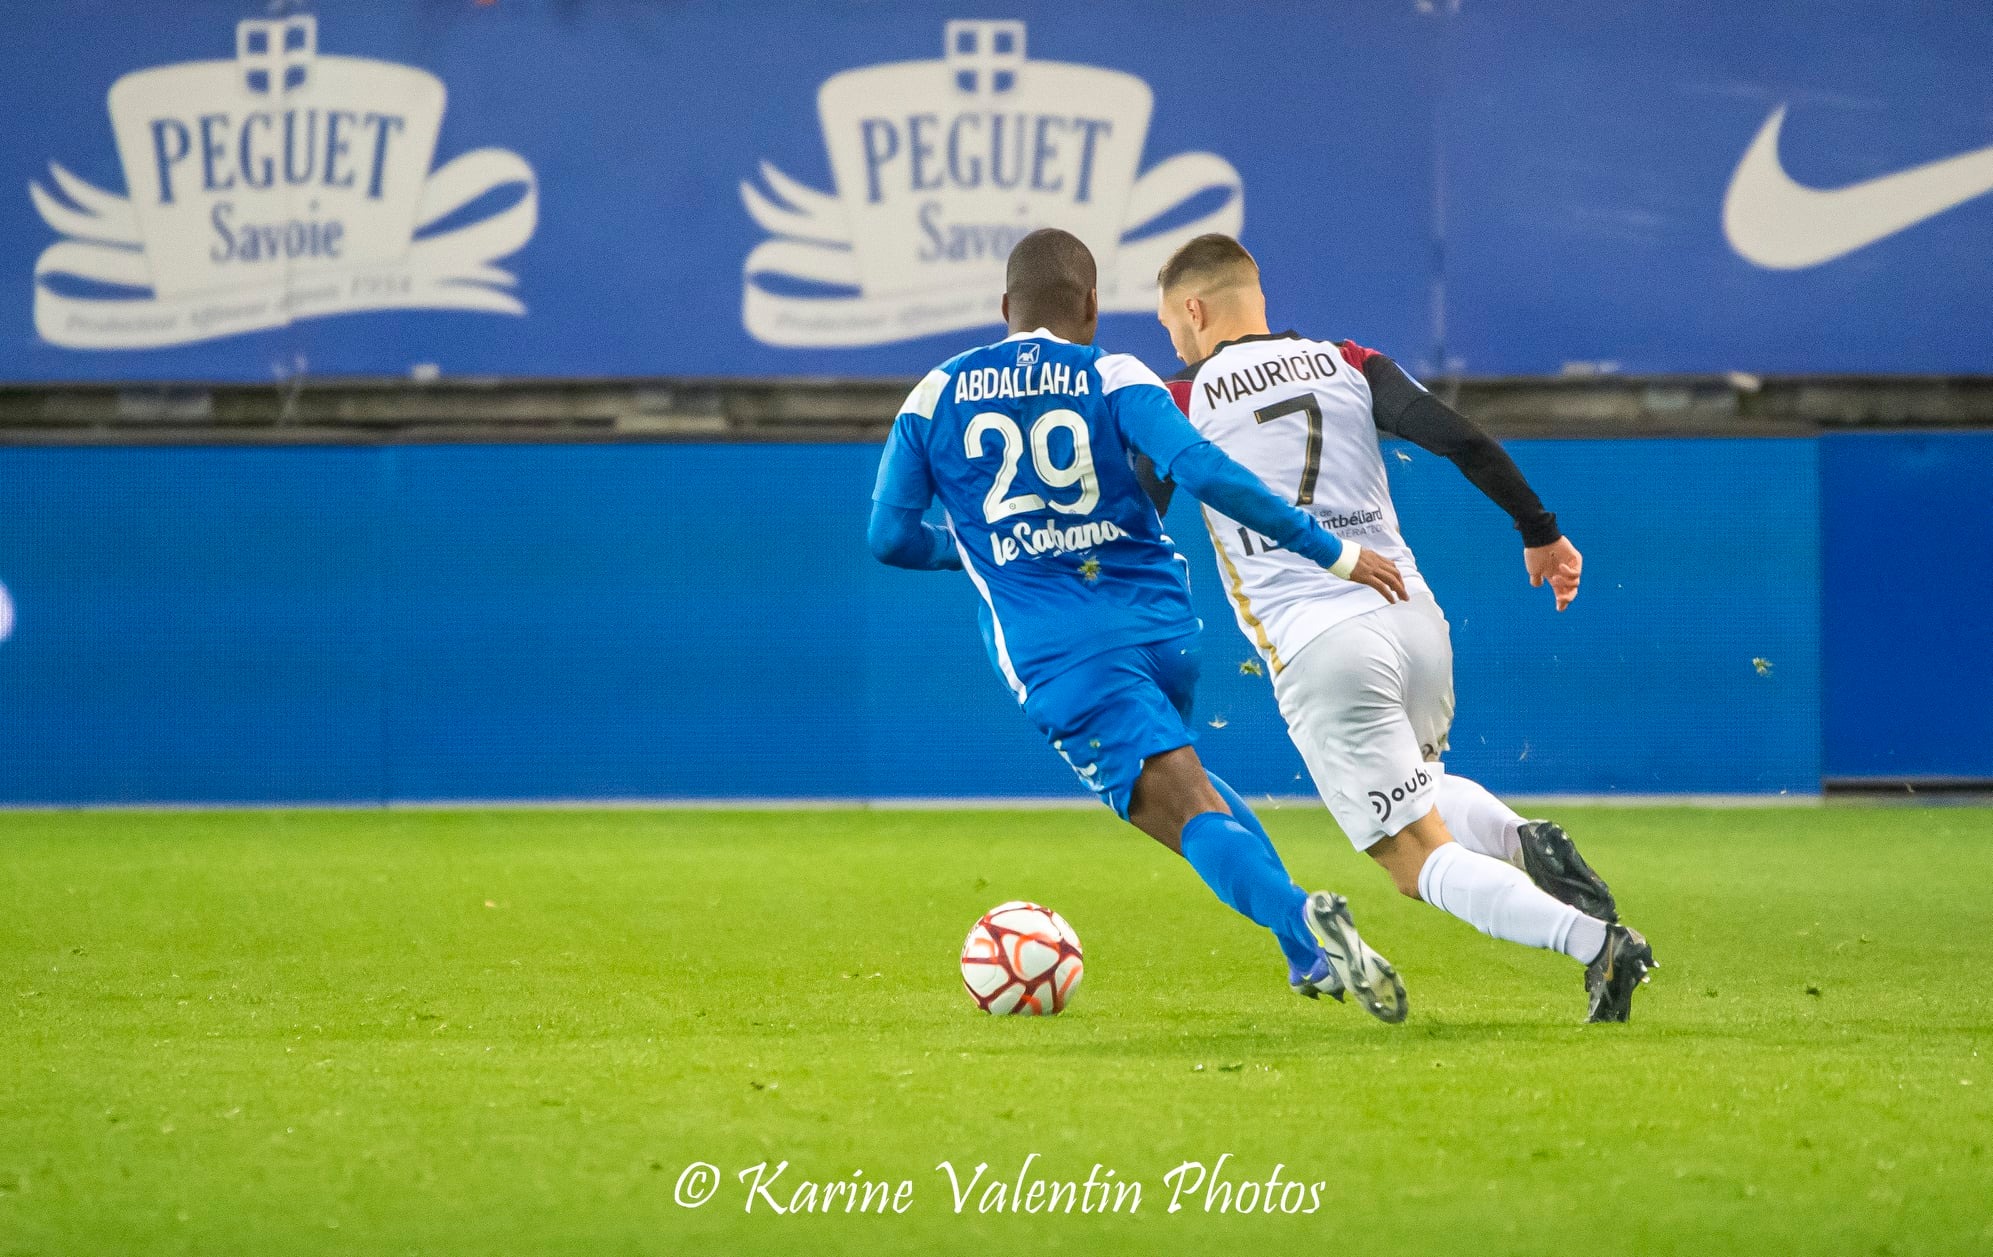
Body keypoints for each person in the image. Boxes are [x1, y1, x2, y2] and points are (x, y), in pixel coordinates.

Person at [868, 228, 1410, 1021]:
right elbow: (1199, 468)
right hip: (1161, 626)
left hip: (1059, 652)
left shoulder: (934, 394)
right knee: (1188, 782)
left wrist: (975, 551)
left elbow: (887, 537)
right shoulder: (1115, 372)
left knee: (1183, 810)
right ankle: (1306, 954)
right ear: (1091, 305)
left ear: (1003, 305)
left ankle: (1303, 921)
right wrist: (1327, 548)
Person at [1149, 232, 1655, 1023]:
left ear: (1193, 309)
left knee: (1413, 860)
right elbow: (1458, 437)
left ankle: (1596, 943)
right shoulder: (1346, 361)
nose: (1173, 345)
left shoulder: (1178, 402)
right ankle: (1520, 839)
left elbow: (1139, 525)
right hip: (1411, 615)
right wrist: (1539, 530)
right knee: (1421, 785)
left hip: (1321, 643)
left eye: (1170, 327)